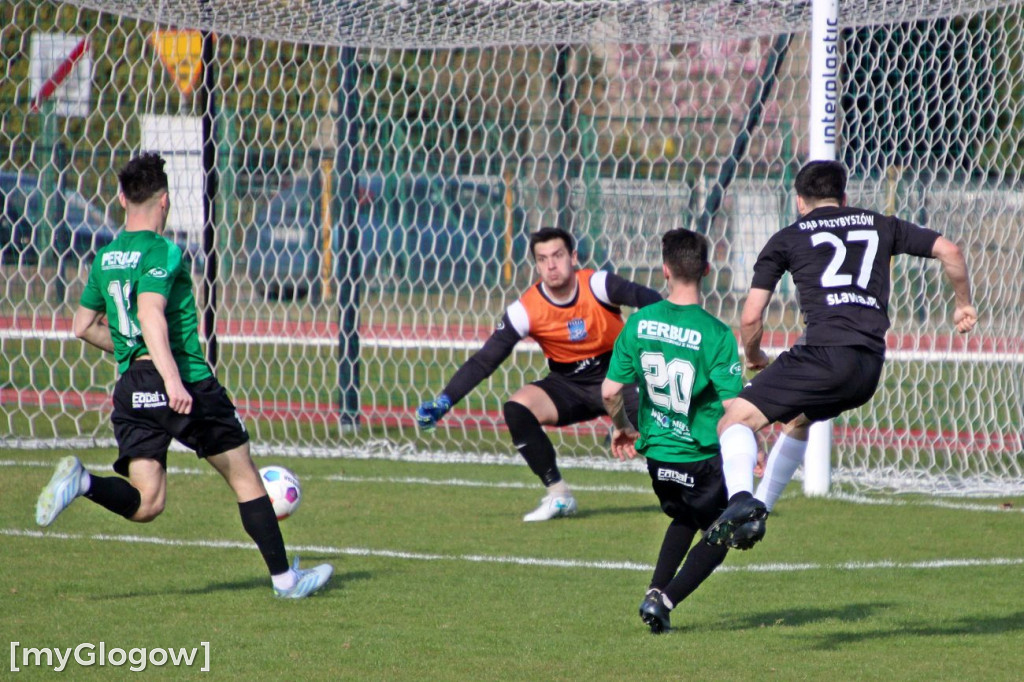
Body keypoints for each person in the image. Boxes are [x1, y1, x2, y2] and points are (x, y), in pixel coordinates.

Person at [34, 152, 332, 599]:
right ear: (165, 201)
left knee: (148, 502)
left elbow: (82, 325)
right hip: (183, 381)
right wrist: (171, 379)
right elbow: (151, 313)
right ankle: (286, 581)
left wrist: (135, 355)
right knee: (244, 474)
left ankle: (83, 482)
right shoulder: (163, 250)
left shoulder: (107, 257)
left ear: (120, 198)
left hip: (131, 386)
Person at [705, 159, 978, 548]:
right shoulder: (881, 224)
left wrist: (753, 354)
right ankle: (758, 510)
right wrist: (963, 304)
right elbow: (949, 250)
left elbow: (751, 317)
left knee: (733, 421)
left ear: (800, 201)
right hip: (867, 368)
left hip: (823, 354)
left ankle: (741, 501)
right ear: (843, 196)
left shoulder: (788, 237)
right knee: (798, 419)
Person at [416, 227, 662, 521]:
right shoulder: (526, 309)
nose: (551, 265)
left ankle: (709, 490)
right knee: (518, 408)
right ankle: (559, 496)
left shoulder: (597, 284)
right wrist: (445, 400)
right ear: (536, 265)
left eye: (557, 256)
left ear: (572, 257)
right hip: (568, 385)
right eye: (542, 259)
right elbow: (484, 361)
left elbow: (649, 298)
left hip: (619, 380)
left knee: (662, 441)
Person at [602, 228, 746, 634]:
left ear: (665, 269)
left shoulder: (640, 322)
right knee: (724, 532)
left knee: (683, 517)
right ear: (705, 269)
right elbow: (734, 407)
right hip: (699, 458)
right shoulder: (716, 334)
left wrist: (623, 428)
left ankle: (654, 592)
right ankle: (664, 601)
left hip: (658, 457)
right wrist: (746, 448)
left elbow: (611, 391)